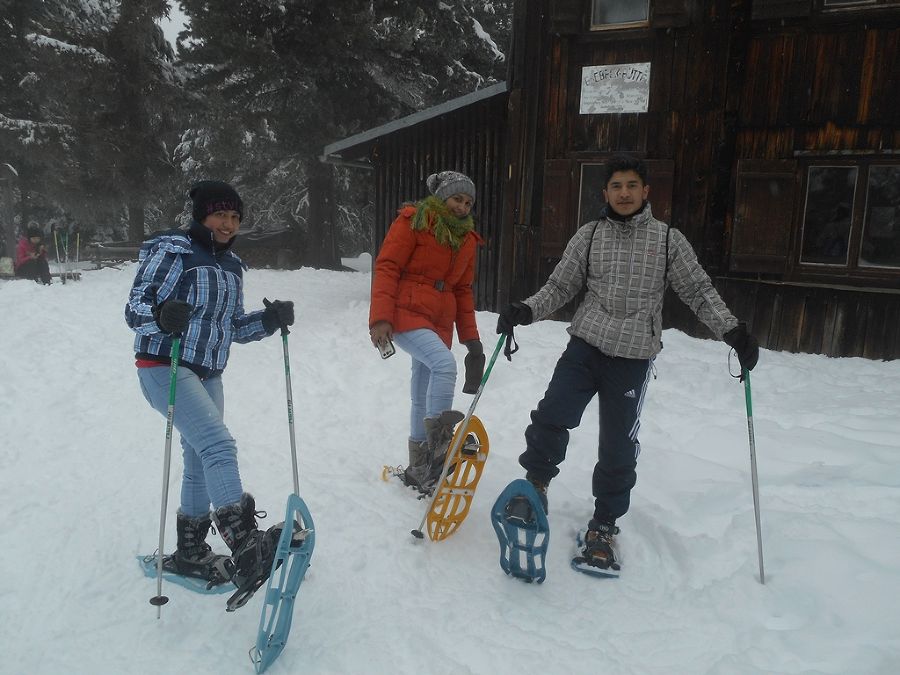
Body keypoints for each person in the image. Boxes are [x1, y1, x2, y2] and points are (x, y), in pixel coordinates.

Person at [496, 154, 759, 574]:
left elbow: (698, 291)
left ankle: (603, 525)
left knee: (618, 445)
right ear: (605, 193)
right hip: (585, 346)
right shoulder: (590, 234)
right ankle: (535, 487)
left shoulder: (668, 240)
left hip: (633, 357)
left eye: (632, 185)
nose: (623, 193)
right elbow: (561, 285)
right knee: (553, 414)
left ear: (646, 192)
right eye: (616, 186)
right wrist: (526, 310)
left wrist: (731, 330)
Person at [125, 180, 296, 589]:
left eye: (235, 217)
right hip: (163, 364)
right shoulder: (174, 251)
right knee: (219, 445)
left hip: (207, 372)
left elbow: (233, 326)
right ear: (202, 215)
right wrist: (162, 314)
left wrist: (269, 321)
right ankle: (244, 544)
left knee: (202, 456)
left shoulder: (232, 266)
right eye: (221, 214)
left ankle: (190, 552)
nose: (228, 223)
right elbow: (136, 307)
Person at [369, 171, 485, 491]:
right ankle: (439, 447)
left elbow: (462, 291)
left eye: (468, 202)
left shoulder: (467, 240)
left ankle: (419, 466)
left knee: (421, 392)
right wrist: (380, 318)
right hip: (404, 313)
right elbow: (387, 267)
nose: (462, 206)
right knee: (444, 364)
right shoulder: (413, 221)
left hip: (438, 321)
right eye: (456, 198)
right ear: (441, 197)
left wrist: (472, 341)